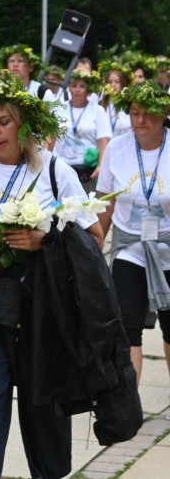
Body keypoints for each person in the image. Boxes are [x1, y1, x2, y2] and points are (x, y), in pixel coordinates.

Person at [0, 72, 105, 479]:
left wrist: (44, 241)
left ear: (25, 123)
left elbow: (94, 239)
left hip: (40, 303)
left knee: (42, 400)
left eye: (3, 122)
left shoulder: (55, 171)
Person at [96, 80, 170, 387]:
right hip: (129, 248)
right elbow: (106, 204)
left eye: (148, 113)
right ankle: (128, 404)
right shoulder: (117, 147)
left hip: (167, 250)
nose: (140, 120)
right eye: (134, 113)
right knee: (127, 328)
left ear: (165, 112)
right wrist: (93, 248)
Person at [51, 69, 111, 190]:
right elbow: (51, 138)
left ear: (88, 89)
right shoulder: (59, 108)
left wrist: (101, 166)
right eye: (74, 86)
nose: (77, 90)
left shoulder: (97, 110)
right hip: (62, 166)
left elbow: (103, 141)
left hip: (87, 169)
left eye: (82, 86)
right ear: (69, 87)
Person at [100, 63, 133, 139]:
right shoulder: (100, 106)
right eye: (110, 82)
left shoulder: (129, 105)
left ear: (123, 83)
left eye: (117, 81)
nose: (113, 85)